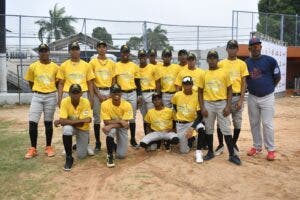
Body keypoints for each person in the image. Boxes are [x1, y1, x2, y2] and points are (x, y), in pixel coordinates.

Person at [198, 50, 241, 165]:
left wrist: (228, 106)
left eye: (214, 58)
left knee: (226, 128)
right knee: (209, 128)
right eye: (210, 58)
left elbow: (230, 90)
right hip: (208, 103)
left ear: (218, 60)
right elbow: (200, 92)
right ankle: (210, 152)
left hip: (222, 103)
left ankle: (232, 154)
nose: (212, 60)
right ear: (207, 60)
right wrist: (202, 107)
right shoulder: (204, 74)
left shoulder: (224, 72)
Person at [56, 41, 95, 155]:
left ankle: (85, 144)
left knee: (84, 121)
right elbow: (61, 83)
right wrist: (59, 98)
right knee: (67, 120)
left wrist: (91, 98)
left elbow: (90, 83)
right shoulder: (64, 65)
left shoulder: (86, 65)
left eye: (76, 49)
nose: (74, 51)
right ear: (69, 51)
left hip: (82, 94)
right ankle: (67, 146)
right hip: (68, 94)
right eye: (72, 49)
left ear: (79, 51)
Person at [245, 37, 281, 161]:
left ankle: (270, 149)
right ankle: (257, 146)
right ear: (249, 48)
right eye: (252, 45)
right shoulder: (247, 63)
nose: (255, 47)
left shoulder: (270, 61)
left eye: (257, 45)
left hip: (267, 96)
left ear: (261, 46)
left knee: (267, 124)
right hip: (252, 96)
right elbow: (245, 79)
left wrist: (269, 87)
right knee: (254, 123)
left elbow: (277, 78)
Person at [214, 40, 249, 156]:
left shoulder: (242, 64)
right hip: (224, 98)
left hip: (237, 97)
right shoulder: (221, 64)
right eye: (230, 47)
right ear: (227, 49)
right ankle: (220, 145)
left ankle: (233, 144)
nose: (232, 50)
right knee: (221, 123)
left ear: (237, 49)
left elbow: (244, 82)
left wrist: (241, 99)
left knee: (237, 123)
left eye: (234, 48)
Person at [24, 44, 59, 159]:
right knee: (32, 122)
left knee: (48, 122)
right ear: (39, 53)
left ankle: (48, 147)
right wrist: (38, 90)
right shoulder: (33, 66)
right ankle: (33, 148)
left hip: (51, 96)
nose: (44, 53)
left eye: (45, 51)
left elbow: (58, 83)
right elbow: (30, 82)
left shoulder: (55, 67)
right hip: (37, 96)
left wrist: (50, 91)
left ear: (49, 52)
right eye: (41, 51)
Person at [54, 84, 92, 171]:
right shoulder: (64, 101)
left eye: (77, 93)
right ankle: (69, 157)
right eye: (73, 93)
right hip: (72, 128)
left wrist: (63, 121)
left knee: (82, 156)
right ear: (69, 93)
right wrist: (63, 121)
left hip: (83, 129)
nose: (75, 95)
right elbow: (81, 121)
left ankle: (76, 145)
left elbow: (83, 124)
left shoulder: (86, 102)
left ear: (81, 93)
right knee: (67, 129)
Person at [89, 41, 116, 151]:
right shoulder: (92, 62)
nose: (102, 49)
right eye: (99, 47)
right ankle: (98, 142)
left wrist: (110, 94)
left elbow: (114, 79)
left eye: (104, 47)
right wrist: (98, 94)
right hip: (97, 92)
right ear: (97, 49)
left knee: (110, 117)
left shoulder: (111, 63)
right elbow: (91, 80)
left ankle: (111, 142)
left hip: (109, 92)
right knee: (97, 119)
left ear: (106, 49)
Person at [172, 76, 205, 162]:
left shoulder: (196, 96)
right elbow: (175, 107)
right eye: (185, 84)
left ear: (192, 85)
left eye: (189, 84)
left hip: (191, 122)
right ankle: (191, 139)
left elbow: (200, 115)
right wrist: (182, 118)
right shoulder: (177, 95)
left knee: (201, 128)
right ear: (182, 85)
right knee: (184, 151)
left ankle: (198, 152)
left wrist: (192, 127)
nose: (187, 86)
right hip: (180, 125)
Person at [114, 45, 141, 148]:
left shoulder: (134, 65)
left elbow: (137, 81)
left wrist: (139, 94)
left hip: (132, 93)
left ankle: (133, 139)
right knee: (120, 116)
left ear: (129, 53)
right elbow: (115, 81)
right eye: (123, 52)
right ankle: (120, 140)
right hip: (121, 94)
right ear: (121, 53)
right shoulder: (117, 65)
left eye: (127, 52)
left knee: (132, 117)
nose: (125, 54)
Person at [101, 84, 133, 167]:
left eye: (118, 92)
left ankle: (114, 145)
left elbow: (125, 125)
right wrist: (120, 121)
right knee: (111, 131)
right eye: (114, 92)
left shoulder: (127, 105)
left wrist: (111, 125)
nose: (116, 94)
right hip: (115, 127)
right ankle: (109, 155)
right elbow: (106, 122)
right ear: (110, 93)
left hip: (121, 128)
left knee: (121, 155)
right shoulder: (104, 104)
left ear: (121, 93)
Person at [138, 49, 160, 133]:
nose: (142, 58)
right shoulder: (136, 69)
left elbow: (158, 82)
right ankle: (147, 137)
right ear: (138, 57)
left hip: (151, 93)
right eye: (141, 56)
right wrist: (138, 95)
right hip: (141, 95)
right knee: (145, 118)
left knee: (152, 116)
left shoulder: (153, 67)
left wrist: (157, 95)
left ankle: (154, 139)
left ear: (146, 57)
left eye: (144, 56)